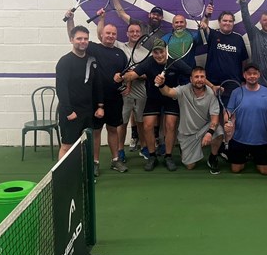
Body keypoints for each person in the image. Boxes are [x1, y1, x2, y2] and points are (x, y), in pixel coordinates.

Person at [65, 11, 127, 175]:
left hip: (115, 99)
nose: (110, 36)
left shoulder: (120, 54)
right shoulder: (92, 48)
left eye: (113, 34)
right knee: (96, 132)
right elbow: (74, 36)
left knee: (113, 130)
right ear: (101, 34)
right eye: (108, 33)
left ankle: (115, 160)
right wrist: (70, 20)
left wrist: (125, 82)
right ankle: (95, 163)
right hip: (96, 101)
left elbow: (126, 75)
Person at [118, 40, 191, 172]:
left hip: (170, 97)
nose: (159, 55)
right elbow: (132, 75)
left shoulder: (175, 62)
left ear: (166, 51)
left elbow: (194, 75)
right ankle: (152, 156)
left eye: (161, 52)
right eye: (155, 52)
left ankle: (168, 156)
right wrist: (122, 77)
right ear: (152, 53)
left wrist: (211, 87)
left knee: (170, 124)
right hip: (153, 98)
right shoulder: (149, 62)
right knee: (147, 125)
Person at [156, 66, 224, 172]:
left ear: (205, 79)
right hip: (187, 134)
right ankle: (186, 150)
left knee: (218, 131)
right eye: (196, 77)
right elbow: (168, 92)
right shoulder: (183, 90)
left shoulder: (211, 94)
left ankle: (213, 157)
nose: (199, 79)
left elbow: (215, 119)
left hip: (204, 129)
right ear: (191, 79)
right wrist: (161, 84)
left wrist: (210, 133)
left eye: (202, 77)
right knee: (190, 166)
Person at [55, 25, 104, 160]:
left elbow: (97, 85)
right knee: (67, 146)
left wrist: (100, 106)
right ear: (71, 40)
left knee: (85, 145)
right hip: (71, 113)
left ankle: (82, 175)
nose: (83, 41)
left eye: (86, 39)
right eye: (79, 38)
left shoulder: (91, 60)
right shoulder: (64, 62)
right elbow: (61, 88)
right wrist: (69, 111)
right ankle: (64, 178)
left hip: (88, 111)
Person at [223, 63, 267, 175]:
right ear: (244, 75)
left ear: (259, 75)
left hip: (261, 141)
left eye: (254, 73)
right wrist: (227, 122)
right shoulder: (236, 92)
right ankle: (245, 157)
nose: (252, 76)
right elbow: (228, 112)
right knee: (236, 170)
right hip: (239, 140)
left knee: (265, 172)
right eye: (249, 74)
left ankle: (254, 157)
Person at [108, 18, 150, 163]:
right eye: (131, 31)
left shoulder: (146, 52)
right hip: (123, 93)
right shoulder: (120, 46)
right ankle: (120, 150)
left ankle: (144, 147)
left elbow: (147, 74)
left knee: (140, 122)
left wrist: (134, 75)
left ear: (141, 33)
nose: (134, 33)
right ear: (127, 33)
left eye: (137, 31)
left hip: (141, 92)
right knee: (122, 123)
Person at [201, 5, 249, 85]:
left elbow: (244, 60)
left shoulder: (238, 38)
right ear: (219, 22)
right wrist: (206, 15)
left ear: (233, 23)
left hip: (233, 82)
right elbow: (204, 26)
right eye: (225, 20)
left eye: (230, 21)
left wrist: (243, 79)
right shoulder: (213, 35)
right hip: (213, 83)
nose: (227, 23)